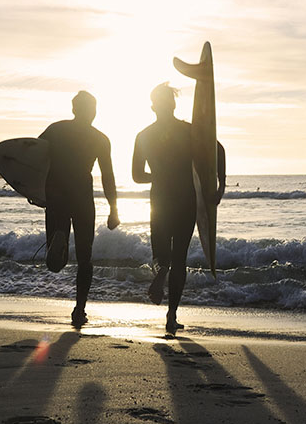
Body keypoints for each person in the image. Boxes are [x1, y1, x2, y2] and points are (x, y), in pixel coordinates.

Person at [132, 83, 224, 335]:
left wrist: (159, 175)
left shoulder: (143, 135)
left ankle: (161, 270)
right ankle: (171, 316)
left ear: (153, 107)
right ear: (173, 105)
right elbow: (219, 150)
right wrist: (220, 185)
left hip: (160, 198)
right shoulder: (190, 132)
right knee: (180, 257)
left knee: (162, 255)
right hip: (186, 198)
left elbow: (137, 176)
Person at [39, 91, 120, 328]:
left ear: (74, 109)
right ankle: (79, 310)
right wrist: (114, 208)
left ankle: (59, 237)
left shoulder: (55, 130)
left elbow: (34, 157)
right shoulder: (100, 139)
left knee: (55, 264)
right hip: (83, 197)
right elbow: (108, 176)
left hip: (56, 195)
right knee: (85, 257)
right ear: (93, 112)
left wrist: (35, 192)